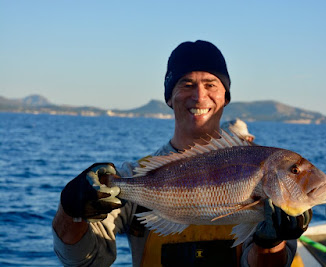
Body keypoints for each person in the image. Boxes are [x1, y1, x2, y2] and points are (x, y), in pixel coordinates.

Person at [52, 40, 312, 266]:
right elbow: (84, 262)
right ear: (169, 97)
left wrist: (271, 242)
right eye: (186, 84)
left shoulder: (264, 174)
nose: (200, 96)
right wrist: (70, 211)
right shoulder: (133, 176)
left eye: (211, 84)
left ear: (226, 96)